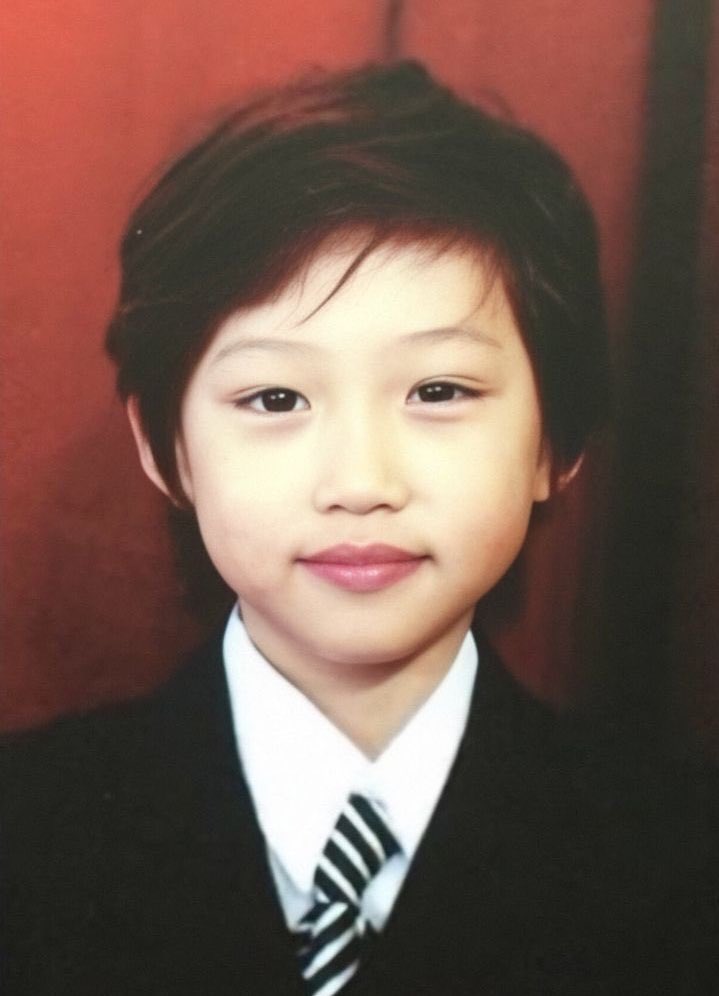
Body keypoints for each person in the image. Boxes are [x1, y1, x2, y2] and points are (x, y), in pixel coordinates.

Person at [2, 60, 716, 995]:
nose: (360, 484)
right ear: (164, 448)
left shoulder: (682, 862)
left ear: (558, 438)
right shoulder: (26, 834)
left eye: (438, 390)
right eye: (275, 398)